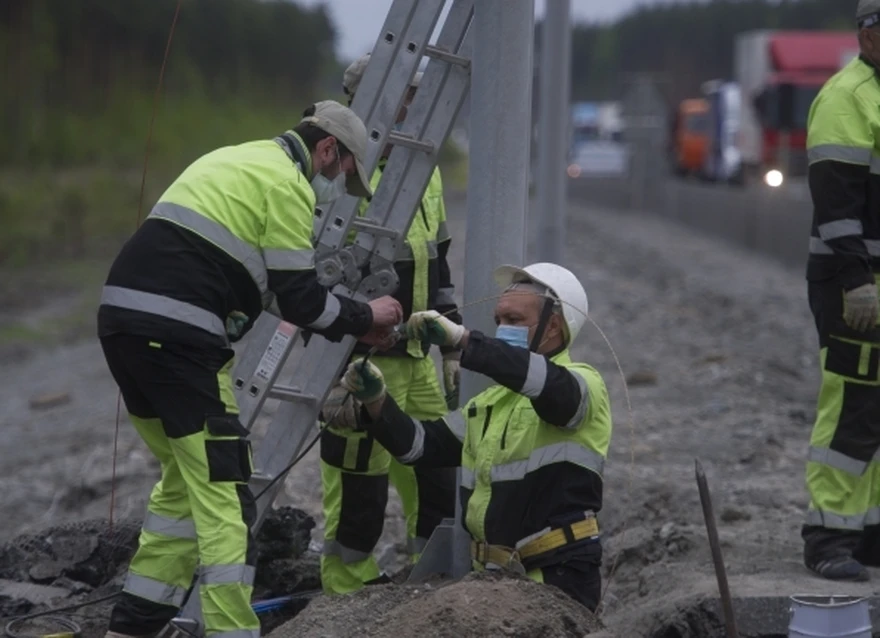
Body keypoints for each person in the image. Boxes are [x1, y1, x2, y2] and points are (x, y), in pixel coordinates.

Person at [99, 100, 403, 638]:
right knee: (227, 498)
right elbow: (303, 301)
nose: (333, 188)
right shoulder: (287, 184)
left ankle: (133, 628)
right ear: (327, 149)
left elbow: (243, 271)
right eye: (342, 176)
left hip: (125, 325)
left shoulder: (238, 160)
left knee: (181, 483)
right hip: (179, 338)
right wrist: (364, 317)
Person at [323, 263, 612, 612]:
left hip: (557, 577)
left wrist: (461, 340)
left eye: (515, 320)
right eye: (499, 319)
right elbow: (420, 446)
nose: (503, 328)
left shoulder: (582, 384)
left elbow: (547, 385)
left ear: (553, 326)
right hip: (494, 582)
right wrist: (377, 403)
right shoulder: (489, 403)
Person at [316, 54, 463, 596]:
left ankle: (429, 580)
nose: (410, 109)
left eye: (415, 98)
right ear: (365, 101)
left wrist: (450, 335)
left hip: (417, 355)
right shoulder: (339, 176)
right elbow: (312, 270)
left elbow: (438, 261)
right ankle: (347, 591)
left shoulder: (426, 172)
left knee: (437, 471)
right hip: (358, 358)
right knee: (360, 481)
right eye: (401, 97)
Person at [801, 0, 880, 582]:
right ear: (865, 33)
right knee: (852, 407)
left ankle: (868, 537)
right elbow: (837, 201)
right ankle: (828, 539)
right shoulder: (846, 97)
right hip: (855, 285)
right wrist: (858, 282)